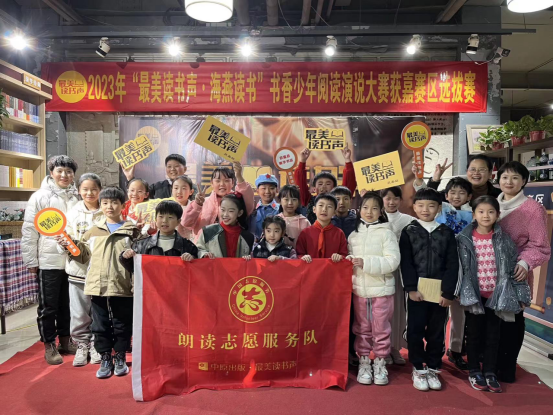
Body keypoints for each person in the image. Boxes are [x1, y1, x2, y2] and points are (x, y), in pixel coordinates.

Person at [458, 196, 532, 394]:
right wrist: (456, 292)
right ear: (473, 215)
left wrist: (521, 295)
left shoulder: (504, 240)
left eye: (491, 212)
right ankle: (474, 370)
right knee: (474, 335)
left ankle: (490, 371)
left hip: (497, 297)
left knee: (493, 336)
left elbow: (513, 268)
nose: (486, 215)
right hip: (474, 296)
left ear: (498, 215)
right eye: (481, 211)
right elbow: (459, 269)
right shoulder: (464, 239)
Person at [71, 187, 141, 379]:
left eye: (114, 202)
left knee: (122, 323)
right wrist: (68, 245)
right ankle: (105, 357)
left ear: (123, 205)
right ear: (100, 205)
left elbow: (141, 257)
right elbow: (83, 256)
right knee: (99, 324)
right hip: (97, 285)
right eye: (105, 203)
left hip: (123, 285)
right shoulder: (93, 231)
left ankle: (120, 356)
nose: (110, 206)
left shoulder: (132, 231)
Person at [400, 188, 460, 392]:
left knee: (436, 331)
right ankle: (418, 367)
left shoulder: (446, 232)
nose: (425, 209)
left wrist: (448, 292)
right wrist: (410, 289)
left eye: (431, 205)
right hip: (417, 292)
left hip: (439, 293)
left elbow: (453, 265)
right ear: (414, 207)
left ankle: (433, 366)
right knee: (415, 330)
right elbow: (406, 263)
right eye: (421, 205)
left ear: (439, 208)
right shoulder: (409, 231)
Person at [21, 155, 80, 365]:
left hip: (72, 260)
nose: (64, 175)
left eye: (69, 172)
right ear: (51, 172)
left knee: (67, 304)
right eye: (60, 171)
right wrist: (31, 261)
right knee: (48, 306)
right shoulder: (39, 197)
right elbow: (29, 230)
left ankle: (65, 340)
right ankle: (49, 344)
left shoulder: (77, 197)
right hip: (48, 261)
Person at [496, 161, 551, 383]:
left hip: (514, 273)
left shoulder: (532, 209)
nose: (509, 182)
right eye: (505, 177)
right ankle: (488, 363)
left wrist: (525, 263)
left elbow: (540, 246)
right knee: (490, 321)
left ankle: (506, 368)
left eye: (515, 177)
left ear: (524, 181)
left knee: (511, 320)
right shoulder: (491, 203)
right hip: (488, 272)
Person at [415, 174, 474, 370]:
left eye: (462, 193)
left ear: (469, 196)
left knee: (460, 313)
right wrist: (427, 179)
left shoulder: (473, 214)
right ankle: (432, 350)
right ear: (446, 195)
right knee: (436, 314)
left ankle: (455, 350)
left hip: (464, 267)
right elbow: (424, 196)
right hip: (438, 268)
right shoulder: (442, 209)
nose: (456, 196)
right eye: (452, 192)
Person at [347, 192, 401, 386]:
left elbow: (393, 261)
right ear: (359, 209)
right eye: (365, 207)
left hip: (382, 290)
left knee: (381, 328)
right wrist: (348, 261)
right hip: (359, 290)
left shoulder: (387, 233)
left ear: (381, 211)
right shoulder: (354, 234)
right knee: (361, 328)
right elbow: (350, 258)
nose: (369, 212)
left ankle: (380, 361)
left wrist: (365, 262)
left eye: (374, 208)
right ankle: (364, 361)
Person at [56, 173, 104, 367]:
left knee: (100, 311)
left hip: (101, 271)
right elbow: (65, 239)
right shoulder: (72, 212)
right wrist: (62, 243)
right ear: (79, 191)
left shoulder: (107, 210)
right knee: (79, 312)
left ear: (100, 190)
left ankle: (97, 344)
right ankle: (82, 345)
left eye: (93, 189)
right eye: (85, 189)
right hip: (78, 271)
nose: (89, 193)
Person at [380, 186, 415, 366]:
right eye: (388, 198)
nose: (391, 202)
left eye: (395, 198)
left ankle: (395, 347)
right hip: (381, 271)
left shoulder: (409, 220)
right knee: (382, 312)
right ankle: (383, 349)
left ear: (401, 200)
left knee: (398, 310)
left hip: (401, 272)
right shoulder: (376, 220)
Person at [120, 200, 198, 274]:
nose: (164, 221)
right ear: (156, 219)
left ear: (178, 221)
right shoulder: (141, 245)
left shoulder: (188, 246)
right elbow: (133, 269)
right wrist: (125, 257)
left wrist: (192, 259)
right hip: (151, 284)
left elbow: (196, 271)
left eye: (170, 217)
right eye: (161, 216)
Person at [182, 162, 255, 241]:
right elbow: (186, 223)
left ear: (232, 183)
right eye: (218, 181)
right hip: (203, 246)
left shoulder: (238, 201)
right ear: (212, 183)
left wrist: (239, 177)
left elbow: (248, 205)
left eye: (226, 180)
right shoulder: (202, 202)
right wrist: (197, 204)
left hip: (230, 245)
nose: (222, 184)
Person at [294, 146, 357, 224]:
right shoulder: (308, 200)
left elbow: (348, 186)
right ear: (314, 188)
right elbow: (301, 184)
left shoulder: (338, 201)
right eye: (320, 184)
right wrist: (302, 161)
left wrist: (347, 160)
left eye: (328, 184)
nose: (323, 186)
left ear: (334, 188)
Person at [196, 193, 255, 259]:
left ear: (240, 213)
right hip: (214, 266)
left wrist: (247, 258)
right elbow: (197, 250)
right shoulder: (208, 231)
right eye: (223, 210)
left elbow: (250, 256)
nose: (225, 214)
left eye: (231, 211)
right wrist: (204, 254)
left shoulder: (248, 237)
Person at [417, 155, 501, 200]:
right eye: (472, 169)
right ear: (467, 171)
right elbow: (430, 199)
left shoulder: (499, 195)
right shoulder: (456, 190)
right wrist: (435, 179)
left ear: (490, 173)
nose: (476, 173)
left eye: (481, 170)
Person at [296, 194, 348, 263]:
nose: (324, 209)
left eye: (329, 207)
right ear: (314, 209)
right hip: (310, 268)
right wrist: (303, 257)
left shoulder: (339, 233)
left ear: (334, 212)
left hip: (332, 268)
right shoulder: (305, 233)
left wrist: (339, 257)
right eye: (321, 205)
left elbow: (344, 255)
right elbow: (298, 254)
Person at [123, 153, 197, 200]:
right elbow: (141, 193)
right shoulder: (157, 186)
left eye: (176, 166)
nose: (172, 169)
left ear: (185, 169)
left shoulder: (192, 188)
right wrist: (130, 178)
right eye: (169, 166)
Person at [276, 185, 311, 249]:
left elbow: (309, 243)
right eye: (286, 199)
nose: (290, 203)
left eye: (294, 199)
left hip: (299, 254)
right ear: (280, 201)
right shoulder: (275, 220)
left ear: (299, 202)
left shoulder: (304, 222)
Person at [250, 174, 280, 240]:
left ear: (277, 190)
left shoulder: (281, 209)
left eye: (271, 188)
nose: (267, 192)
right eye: (264, 188)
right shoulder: (252, 210)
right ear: (257, 191)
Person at [171, 175, 195, 239]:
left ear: (191, 192)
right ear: (172, 190)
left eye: (184, 188)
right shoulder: (167, 207)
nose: (179, 192)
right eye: (176, 188)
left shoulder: (195, 208)